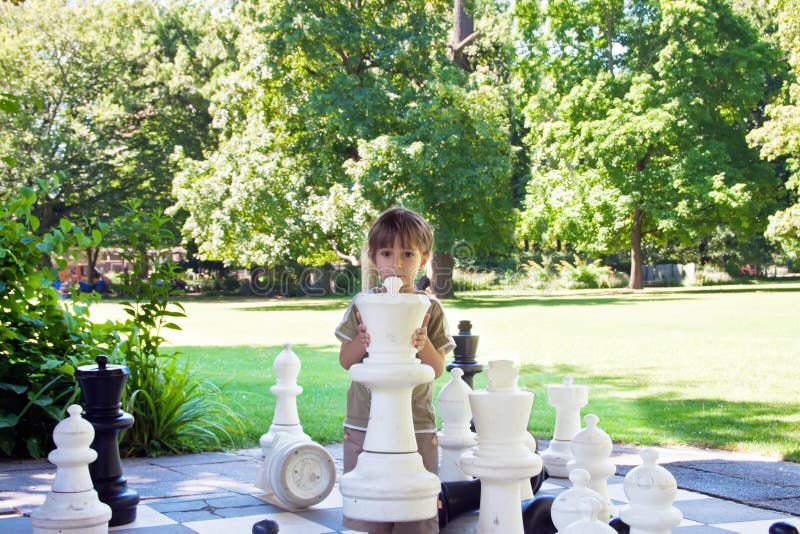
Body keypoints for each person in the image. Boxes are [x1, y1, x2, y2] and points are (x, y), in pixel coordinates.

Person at [335, 207, 455, 534]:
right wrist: (361, 340)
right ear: (374, 258)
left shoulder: (429, 308)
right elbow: (347, 361)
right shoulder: (363, 304)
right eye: (387, 253)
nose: (397, 264)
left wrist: (423, 343)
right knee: (366, 508)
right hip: (363, 422)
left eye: (407, 254)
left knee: (414, 509)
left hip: (415, 424)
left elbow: (436, 367)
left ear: (424, 258)